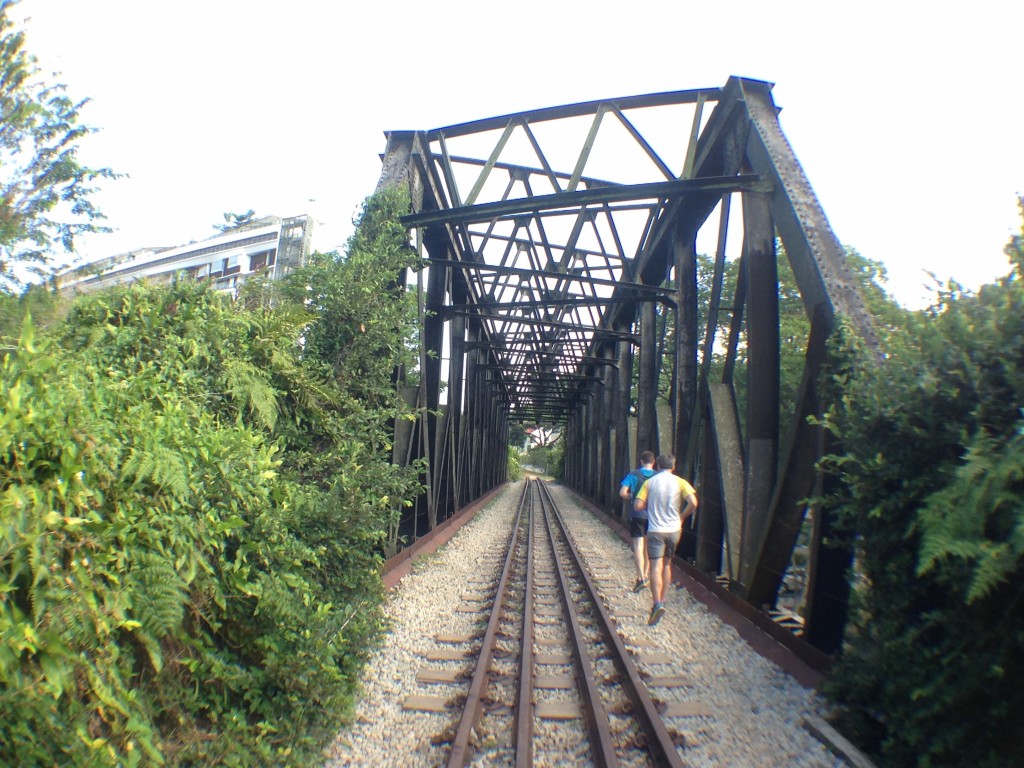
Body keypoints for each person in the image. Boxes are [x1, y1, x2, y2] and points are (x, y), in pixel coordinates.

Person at [633, 453, 698, 626]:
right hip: (674, 530)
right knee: (667, 565)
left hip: (655, 530)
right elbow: (693, 503)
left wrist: (649, 503)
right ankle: (663, 599)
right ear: (673, 466)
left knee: (655, 566)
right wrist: (681, 517)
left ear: (657, 466)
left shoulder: (650, 482)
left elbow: (637, 506)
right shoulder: (681, 482)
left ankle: (657, 604)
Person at [619, 450, 657, 592]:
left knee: (638, 546)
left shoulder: (633, 474)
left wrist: (633, 497)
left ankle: (640, 577)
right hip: (653, 516)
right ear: (653, 462)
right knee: (648, 547)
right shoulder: (657, 476)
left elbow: (622, 493)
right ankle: (646, 575)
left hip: (637, 515)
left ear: (641, 461)